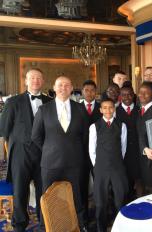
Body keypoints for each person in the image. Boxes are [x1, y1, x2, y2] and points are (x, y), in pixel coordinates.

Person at [31, 76, 89, 231]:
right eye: (60, 85)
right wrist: (50, 149)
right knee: (49, 197)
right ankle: (47, 226)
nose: (63, 88)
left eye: (67, 85)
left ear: (71, 89)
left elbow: (85, 136)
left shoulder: (80, 108)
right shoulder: (44, 109)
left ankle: (79, 225)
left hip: (75, 163)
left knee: (76, 195)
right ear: (54, 89)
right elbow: (35, 136)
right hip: (51, 163)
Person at [0, 68, 51, 232]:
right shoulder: (13, 102)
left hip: (44, 154)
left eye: (39, 78)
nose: (36, 80)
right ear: (26, 81)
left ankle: (44, 222)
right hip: (21, 155)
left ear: (43, 81)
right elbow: (4, 130)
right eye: (32, 78)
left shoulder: (50, 101)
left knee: (43, 191)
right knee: (20, 191)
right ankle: (20, 224)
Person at [89, 97, 128, 232]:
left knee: (120, 199)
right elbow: (91, 149)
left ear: (114, 109)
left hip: (117, 167)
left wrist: (116, 161)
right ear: (100, 110)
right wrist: (98, 165)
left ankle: (121, 227)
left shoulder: (121, 126)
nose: (108, 110)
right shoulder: (94, 127)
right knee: (100, 202)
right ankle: (101, 228)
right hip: (100, 168)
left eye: (111, 107)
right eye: (104, 108)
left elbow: (123, 147)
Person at [81, 79, 102, 222]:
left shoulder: (102, 108)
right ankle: (83, 216)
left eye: (92, 90)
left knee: (99, 182)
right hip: (80, 153)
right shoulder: (75, 107)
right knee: (82, 183)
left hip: (98, 153)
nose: (89, 93)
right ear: (82, 92)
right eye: (86, 90)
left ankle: (101, 211)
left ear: (96, 92)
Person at [116, 84, 140, 200]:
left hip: (138, 151)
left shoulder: (140, 110)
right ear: (120, 96)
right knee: (125, 181)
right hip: (123, 153)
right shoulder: (115, 112)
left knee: (139, 180)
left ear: (134, 95)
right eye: (124, 95)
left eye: (130, 94)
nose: (127, 97)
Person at [136, 82, 152, 194]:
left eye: (146, 93)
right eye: (140, 92)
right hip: (140, 158)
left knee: (151, 190)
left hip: (151, 158)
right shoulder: (139, 109)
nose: (142, 95)